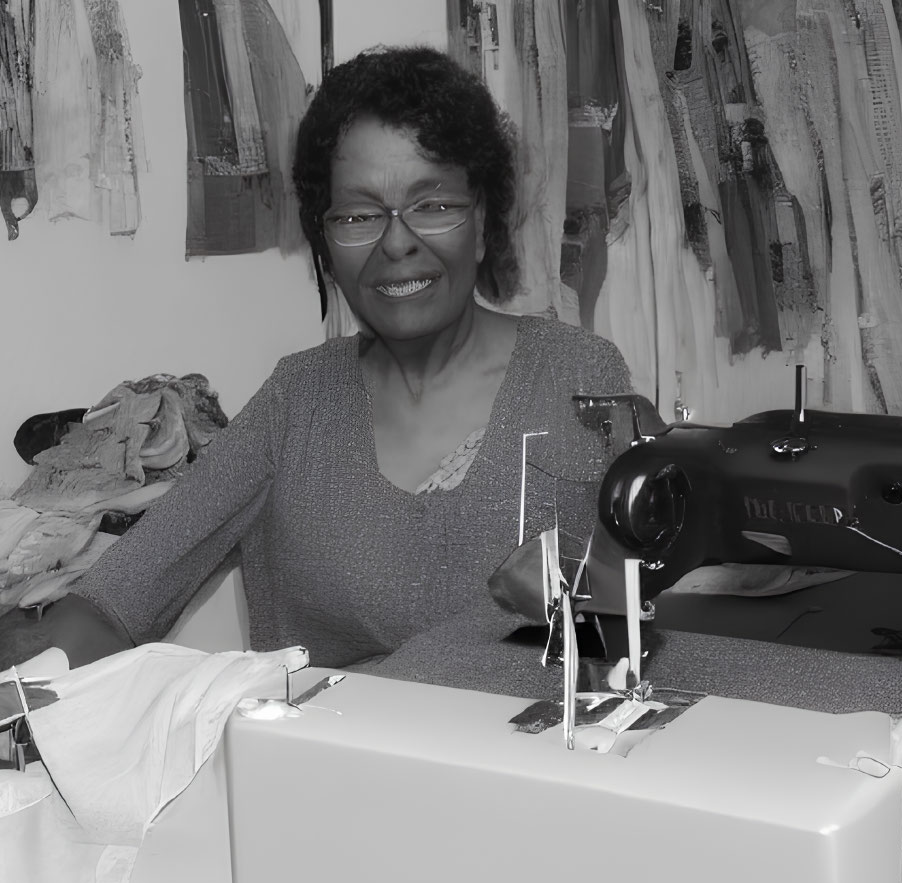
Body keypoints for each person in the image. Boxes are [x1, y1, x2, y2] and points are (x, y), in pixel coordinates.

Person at [43, 45, 637, 669]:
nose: (398, 242)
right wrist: (17, 704)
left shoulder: (581, 379)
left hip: (543, 761)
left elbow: (632, 619)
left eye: (433, 206)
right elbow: (116, 598)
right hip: (334, 762)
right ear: (324, 239)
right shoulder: (298, 403)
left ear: (483, 216)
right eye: (358, 215)